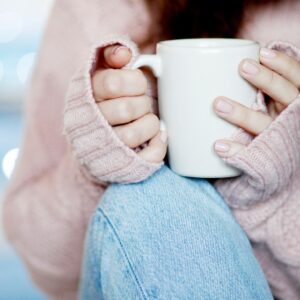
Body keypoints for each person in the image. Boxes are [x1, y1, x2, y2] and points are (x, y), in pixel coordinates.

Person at [2, 0, 300, 299]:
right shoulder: (87, 10)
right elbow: (40, 264)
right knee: (148, 193)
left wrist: (282, 186)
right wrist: (95, 167)